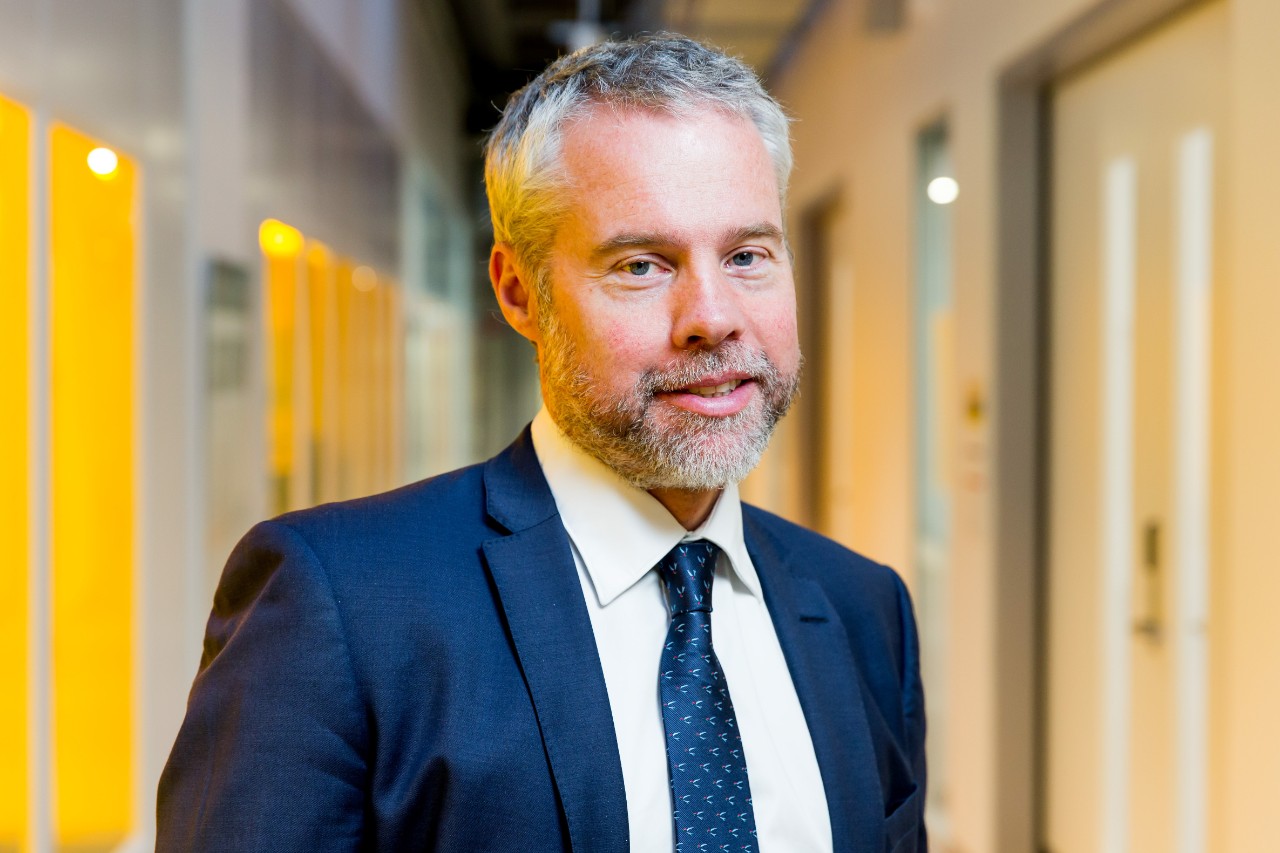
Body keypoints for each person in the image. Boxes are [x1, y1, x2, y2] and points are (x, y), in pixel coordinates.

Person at [157, 34, 925, 853]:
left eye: (747, 254)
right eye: (641, 265)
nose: (713, 315)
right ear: (519, 292)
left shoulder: (863, 611)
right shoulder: (339, 606)